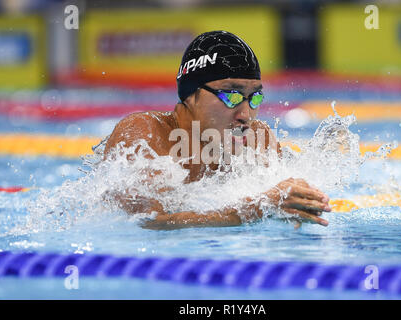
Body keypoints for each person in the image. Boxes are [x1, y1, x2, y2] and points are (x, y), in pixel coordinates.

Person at [103, 30, 331, 230]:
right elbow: (149, 222)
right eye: (231, 96)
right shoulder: (146, 135)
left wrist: (295, 208)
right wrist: (255, 209)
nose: (245, 115)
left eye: (254, 98)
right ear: (191, 96)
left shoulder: (257, 139)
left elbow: (278, 201)